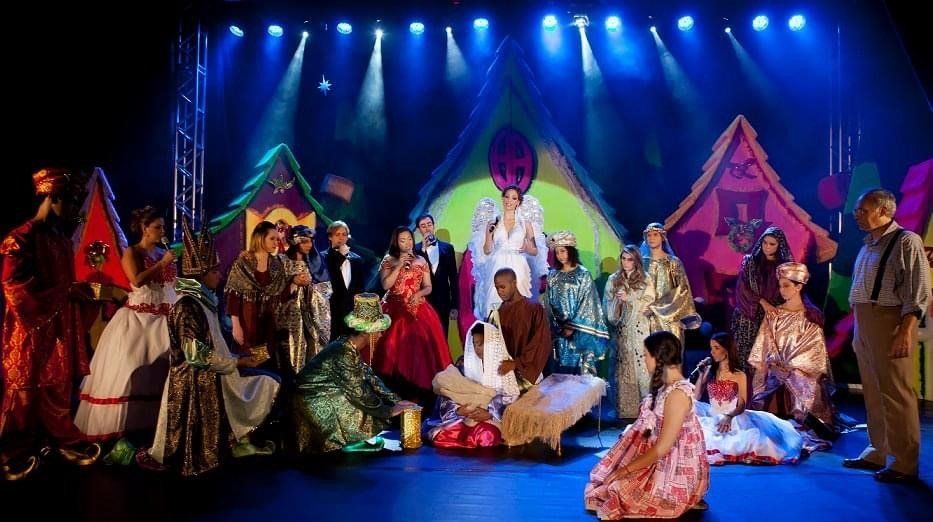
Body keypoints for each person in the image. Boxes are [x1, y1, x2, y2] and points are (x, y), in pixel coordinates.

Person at [138, 219, 279, 476]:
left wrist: (237, 359)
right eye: (215, 271)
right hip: (192, 382)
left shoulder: (204, 301)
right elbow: (194, 353)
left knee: (266, 383)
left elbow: (214, 343)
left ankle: (236, 442)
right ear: (201, 274)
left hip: (212, 374)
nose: (220, 276)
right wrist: (236, 362)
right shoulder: (187, 305)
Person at [1, 169, 100, 480]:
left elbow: (64, 284)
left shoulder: (60, 241)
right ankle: (12, 452)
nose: (73, 211)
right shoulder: (19, 239)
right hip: (28, 328)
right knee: (24, 393)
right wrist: (64, 292)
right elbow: (14, 288)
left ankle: (60, 441)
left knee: (58, 387)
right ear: (53, 197)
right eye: (70, 203)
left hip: (58, 328)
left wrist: (79, 293)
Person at [843, 188, 930, 483]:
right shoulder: (868, 244)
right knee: (873, 390)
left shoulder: (906, 241)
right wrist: (859, 329)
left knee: (896, 393)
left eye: (863, 210)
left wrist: (905, 331)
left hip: (889, 320)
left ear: (883, 211)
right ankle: (878, 450)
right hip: (864, 321)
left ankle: (905, 463)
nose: (857, 214)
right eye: (857, 209)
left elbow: (917, 291)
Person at [75, 206, 178, 442]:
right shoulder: (132, 252)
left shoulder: (162, 253)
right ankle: (120, 427)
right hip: (137, 321)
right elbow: (137, 280)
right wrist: (162, 264)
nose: (162, 231)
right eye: (158, 227)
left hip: (161, 318)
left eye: (163, 227)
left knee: (160, 370)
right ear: (145, 229)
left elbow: (171, 284)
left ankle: (154, 426)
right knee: (132, 366)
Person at [584, 331, 709, 519]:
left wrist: (626, 470)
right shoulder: (666, 388)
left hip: (673, 467)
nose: (643, 361)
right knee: (606, 481)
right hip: (661, 455)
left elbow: (663, 448)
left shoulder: (677, 395)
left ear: (657, 357)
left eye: (645, 355)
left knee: (619, 490)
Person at [292, 293, 418, 454]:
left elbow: (371, 378)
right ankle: (343, 440)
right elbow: (357, 391)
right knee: (357, 398)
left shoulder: (349, 346)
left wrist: (396, 401)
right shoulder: (343, 352)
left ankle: (354, 438)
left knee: (364, 394)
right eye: (378, 331)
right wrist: (389, 410)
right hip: (312, 398)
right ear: (366, 332)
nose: (380, 335)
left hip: (322, 392)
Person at [694, 332, 803, 465]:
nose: (712, 352)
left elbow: (742, 404)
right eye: (711, 348)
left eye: (716, 348)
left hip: (733, 414)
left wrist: (729, 416)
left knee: (754, 438)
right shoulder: (711, 371)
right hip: (713, 412)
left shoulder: (739, 375)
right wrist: (701, 375)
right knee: (693, 409)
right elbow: (696, 397)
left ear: (726, 350)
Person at [370, 227, 452, 402]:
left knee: (422, 349)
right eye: (402, 240)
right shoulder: (389, 260)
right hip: (394, 307)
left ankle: (421, 390)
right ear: (396, 242)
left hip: (417, 306)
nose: (407, 243)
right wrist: (399, 265)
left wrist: (419, 293)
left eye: (409, 239)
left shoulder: (421, 260)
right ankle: (394, 390)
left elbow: (428, 287)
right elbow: (385, 285)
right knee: (392, 347)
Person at [747, 262, 835, 426]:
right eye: (780, 286)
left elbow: (814, 351)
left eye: (786, 285)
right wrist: (773, 366)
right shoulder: (774, 314)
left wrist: (791, 369)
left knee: (806, 407)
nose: (782, 290)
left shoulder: (811, 316)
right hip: (775, 372)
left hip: (801, 375)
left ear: (799, 286)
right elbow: (765, 344)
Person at [226, 221, 306, 371]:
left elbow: (281, 294)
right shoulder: (242, 263)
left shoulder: (276, 265)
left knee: (265, 365)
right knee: (248, 363)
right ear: (260, 238)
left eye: (277, 239)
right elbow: (233, 296)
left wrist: (295, 282)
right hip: (247, 322)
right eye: (272, 238)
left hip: (268, 323)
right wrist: (236, 326)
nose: (276, 243)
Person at [428, 321, 520, 449]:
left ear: (492, 343)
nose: (477, 349)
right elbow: (449, 390)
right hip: (463, 416)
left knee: (485, 436)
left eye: (481, 344)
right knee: (441, 436)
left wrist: (490, 413)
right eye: (475, 344)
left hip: (490, 419)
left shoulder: (503, 365)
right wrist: (458, 410)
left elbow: (510, 396)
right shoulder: (463, 363)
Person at [469, 186, 548, 321]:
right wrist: (489, 235)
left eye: (514, 198)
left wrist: (527, 248)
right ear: (502, 198)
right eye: (506, 197)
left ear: (518, 202)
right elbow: (487, 250)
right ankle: (495, 331)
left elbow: (534, 251)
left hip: (518, 266)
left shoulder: (525, 224)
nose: (509, 201)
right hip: (497, 265)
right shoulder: (493, 222)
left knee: (518, 306)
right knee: (495, 304)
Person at [545, 231, 609, 375]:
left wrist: (572, 326)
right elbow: (549, 303)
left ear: (571, 251)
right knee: (561, 373)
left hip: (581, 333)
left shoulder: (583, 274)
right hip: (560, 333)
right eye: (557, 252)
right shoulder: (552, 275)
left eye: (563, 251)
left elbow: (588, 302)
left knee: (581, 373)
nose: (560, 255)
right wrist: (558, 326)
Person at [604, 245, 656, 418]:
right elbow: (607, 306)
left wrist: (630, 299)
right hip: (621, 330)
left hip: (639, 329)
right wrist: (618, 302)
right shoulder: (613, 279)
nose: (626, 263)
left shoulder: (645, 279)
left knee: (641, 367)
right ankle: (624, 409)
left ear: (636, 261)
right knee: (621, 368)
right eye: (623, 258)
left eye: (630, 259)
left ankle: (644, 409)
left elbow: (649, 303)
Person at [731, 226, 794, 370]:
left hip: (773, 315)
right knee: (747, 358)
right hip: (749, 314)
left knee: (768, 362)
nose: (767, 247)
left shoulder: (785, 267)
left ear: (779, 245)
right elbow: (743, 287)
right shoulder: (750, 262)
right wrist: (762, 302)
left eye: (772, 244)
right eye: (765, 242)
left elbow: (790, 291)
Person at [279, 225, 332, 375]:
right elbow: (274, 289)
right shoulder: (282, 261)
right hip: (291, 314)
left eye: (311, 241)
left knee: (313, 346)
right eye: (304, 241)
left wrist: (311, 287)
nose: (309, 245)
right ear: (295, 242)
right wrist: (293, 282)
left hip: (313, 314)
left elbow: (326, 289)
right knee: (293, 347)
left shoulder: (316, 262)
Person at [640, 223, 701, 345]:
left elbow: (682, 290)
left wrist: (655, 307)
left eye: (655, 235)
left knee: (669, 349)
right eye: (649, 235)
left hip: (669, 317)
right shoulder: (641, 263)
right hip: (645, 317)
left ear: (662, 237)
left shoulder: (673, 262)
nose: (651, 238)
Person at [492, 268, 551, 389]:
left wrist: (516, 363)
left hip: (527, 375)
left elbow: (541, 343)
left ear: (514, 283)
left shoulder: (534, 309)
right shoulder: (498, 312)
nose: (499, 291)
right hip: (504, 374)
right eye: (497, 288)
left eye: (502, 287)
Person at [414, 214, 459, 337]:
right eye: (423, 226)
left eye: (429, 224)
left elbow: (453, 278)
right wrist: (423, 250)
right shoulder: (415, 251)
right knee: (426, 338)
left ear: (434, 226)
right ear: (418, 230)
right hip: (424, 302)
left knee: (443, 336)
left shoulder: (448, 248)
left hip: (444, 302)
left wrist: (454, 305)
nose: (427, 228)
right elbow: (415, 277)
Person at [323, 220, 365, 339]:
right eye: (337, 234)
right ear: (330, 237)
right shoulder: (323, 258)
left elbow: (360, 288)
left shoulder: (357, 260)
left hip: (351, 311)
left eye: (344, 234)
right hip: (331, 311)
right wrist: (340, 256)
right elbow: (329, 280)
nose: (341, 238)